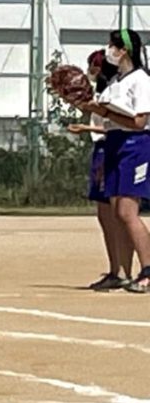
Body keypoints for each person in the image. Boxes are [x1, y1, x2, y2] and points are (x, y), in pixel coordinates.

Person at [75, 28, 150, 293]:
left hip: (135, 145)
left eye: (113, 46)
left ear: (124, 50)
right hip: (115, 143)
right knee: (117, 213)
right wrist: (90, 107)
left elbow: (139, 122)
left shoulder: (141, 80)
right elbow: (109, 118)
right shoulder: (117, 80)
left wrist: (105, 112)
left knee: (127, 212)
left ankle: (148, 270)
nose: (110, 51)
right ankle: (121, 273)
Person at [67, 50, 134, 290]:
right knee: (105, 215)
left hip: (113, 148)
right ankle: (115, 269)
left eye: (94, 67)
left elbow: (121, 126)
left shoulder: (118, 91)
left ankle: (126, 270)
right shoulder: (102, 92)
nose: (91, 72)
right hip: (101, 150)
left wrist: (87, 127)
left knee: (120, 214)